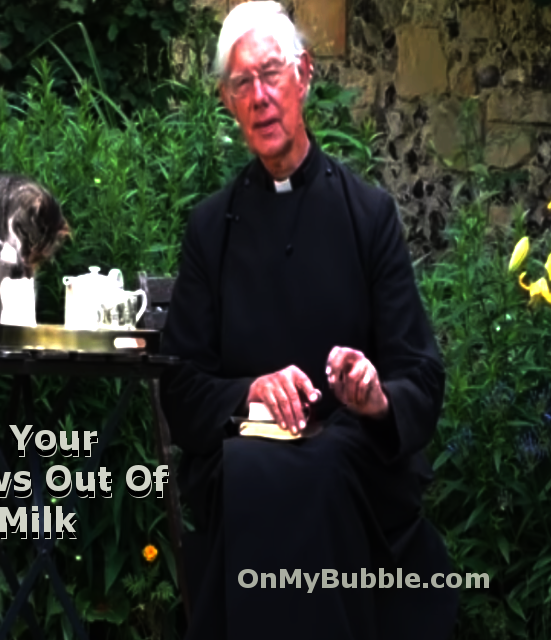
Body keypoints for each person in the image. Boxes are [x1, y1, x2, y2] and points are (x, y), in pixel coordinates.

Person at [159, 2, 458, 639]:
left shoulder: (368, 215)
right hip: (243, 455)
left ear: (304, 76)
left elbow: (423, 378)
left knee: (314, 474)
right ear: (228, 101)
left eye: (272, 74)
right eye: (243, 83)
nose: (261, 96)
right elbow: (180, 386)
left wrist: (376, 400)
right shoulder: (210, 229)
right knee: (256, 472)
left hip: (351, 458)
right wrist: (250, 392)